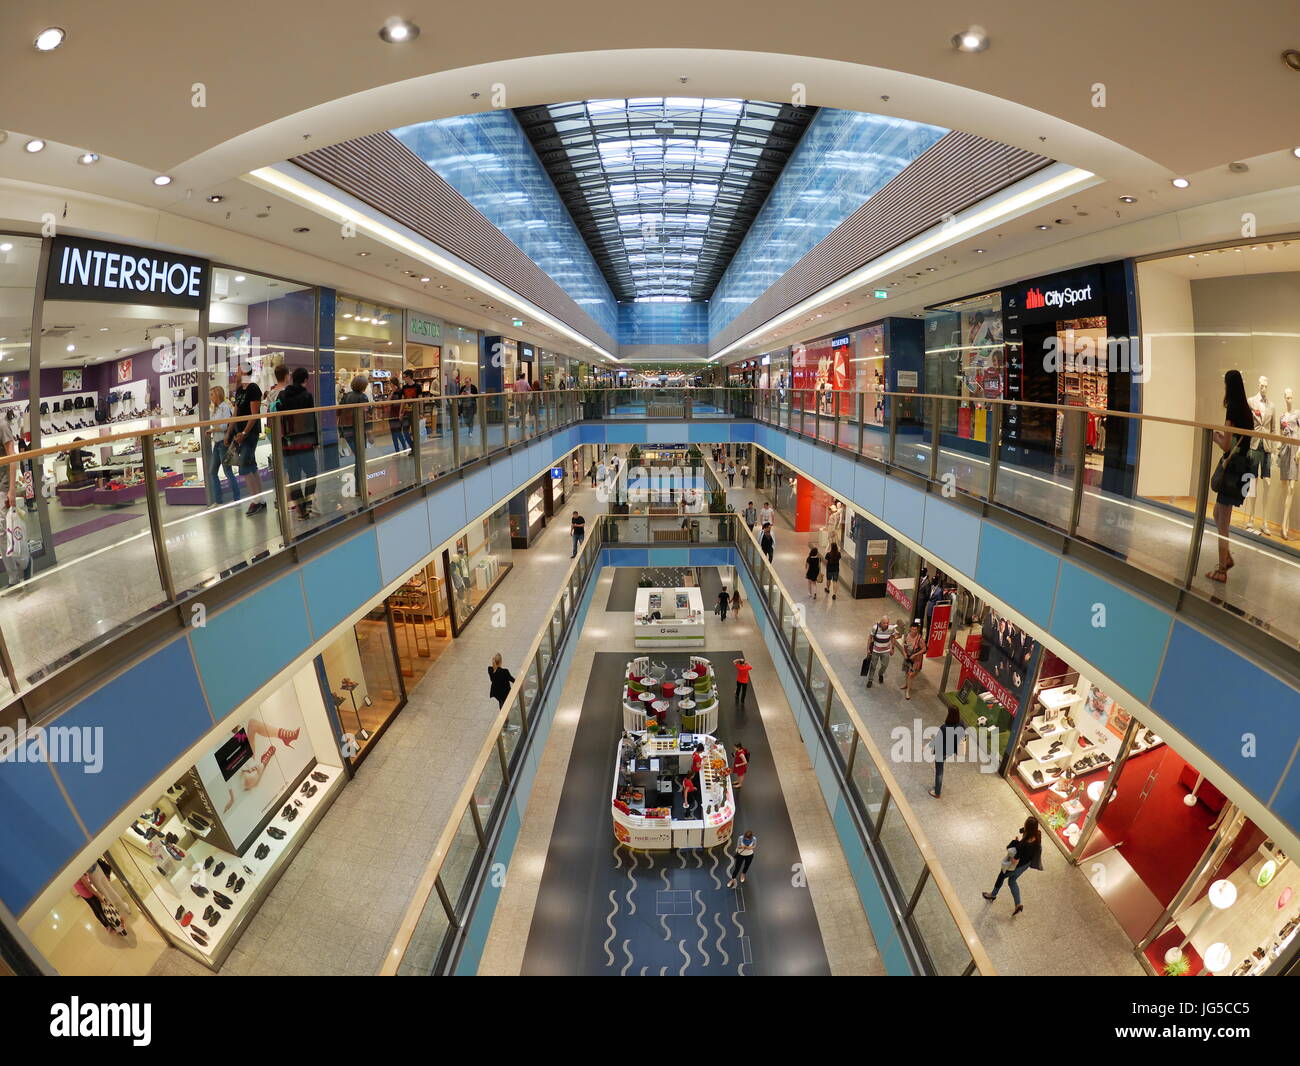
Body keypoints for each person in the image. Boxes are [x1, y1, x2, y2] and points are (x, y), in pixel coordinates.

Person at [1207, 369, 1253, 582]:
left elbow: (1226, 444)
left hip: (1231, 470)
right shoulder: (1247, 410)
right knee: (1218, 513)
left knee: (1223, 521)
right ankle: (1227, 558)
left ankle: (1222, 570)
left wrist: (1216, 438)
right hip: (1242, 468)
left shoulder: (1232, 410)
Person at [277, 367, 319, 520]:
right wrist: (316, 440)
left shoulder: (282, 395)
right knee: (312, 472)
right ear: (306, 380)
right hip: (305, 441)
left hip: (287, 443)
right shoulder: (307, 396)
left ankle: (301, 509)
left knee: (294, 477)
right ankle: (307, 504)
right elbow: (311, 419)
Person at [226, 362, 264, 516]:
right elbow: (235, 414)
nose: (236, 373)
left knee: (245, 468)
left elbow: (254, 414)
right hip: (239, 434)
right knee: (251, 466)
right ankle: (260, 500)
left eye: (238, 370)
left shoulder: (253, 388)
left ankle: (255, 500)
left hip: (249, 434)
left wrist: (245, 433)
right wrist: (229, 432)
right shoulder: (239, 391)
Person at [982, 817, 1043, 915]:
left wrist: (1015, 845)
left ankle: (992, 895)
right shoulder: (1038, 835)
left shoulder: (1023, 844)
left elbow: (1015, 860)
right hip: (1025, 865)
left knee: (1001, 875)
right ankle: (1018, 904)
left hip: (1017, 866)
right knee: (1012, 881)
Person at [207, 386, 240, 504]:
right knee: (212, 472)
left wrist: (213, 430)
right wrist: (213, 430)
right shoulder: (215, 409)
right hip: (217, 443)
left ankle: (237, 498)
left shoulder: (224, 408)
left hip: (223, 443)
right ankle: (218, 500)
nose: (210, 397)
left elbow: (225, 426)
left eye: (212, 395)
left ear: (217, 395)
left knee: (228, 472)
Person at [929, 706, 964, 798]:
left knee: (939, 771)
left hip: (941, 751)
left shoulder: (944, 727)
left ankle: (937, 792)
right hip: (950, 750)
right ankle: (937, 788)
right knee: (940, 769)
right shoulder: (961, 724)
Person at [338, 373, 371, 457]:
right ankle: (360, 470)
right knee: (360, 454)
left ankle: (359, 470)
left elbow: (338, 411)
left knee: (357, 453)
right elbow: (367, 413)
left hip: (346, 428)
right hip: (358, 428)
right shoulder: (363, 397)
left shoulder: (346, 395)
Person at [861, 615, 895, 688]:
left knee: (884, 665)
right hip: (875, 650)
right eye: (884, 623)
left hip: (886, 650)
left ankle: (880, 674)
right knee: (873, 666)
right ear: (881, 622)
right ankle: (870, 680)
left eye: (887, 623)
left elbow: (892, 638)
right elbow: (870, 638)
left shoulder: (891, 628)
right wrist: (868, 650)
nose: (886, 624)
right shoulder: (875, 627)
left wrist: (892, 648)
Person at [900, 621, 925, 699]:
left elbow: (924, 649)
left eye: (915, 629)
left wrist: (915, 654)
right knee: (906, 672)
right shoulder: (907, 636)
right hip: (907, 657)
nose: (914, 631)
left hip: (915, 659)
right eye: (912, 629)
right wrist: (904, 653)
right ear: (910, 629)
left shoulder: (919, 638)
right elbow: (904, 646)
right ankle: (906, 684)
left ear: (917, 630)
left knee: (911, 675)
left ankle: (908, 691)